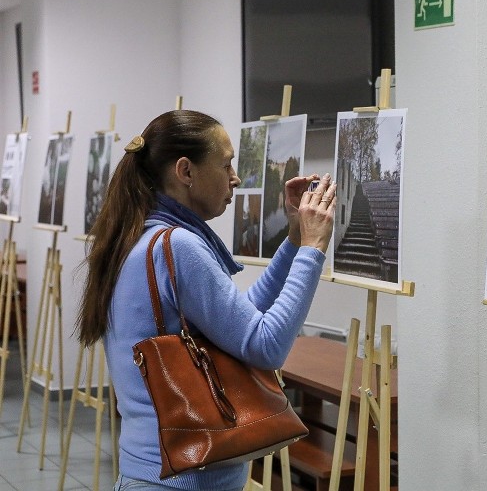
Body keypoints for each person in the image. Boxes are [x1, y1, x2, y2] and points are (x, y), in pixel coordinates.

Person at [75, 110, 336, 491]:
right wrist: (313, 250)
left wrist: (295, 238)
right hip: (183, 481)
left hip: (153, 473)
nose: (236, 178)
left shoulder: (141, 236)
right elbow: (265, 346)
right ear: (186, 171)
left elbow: (237, 320)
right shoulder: (177, 246)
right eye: (227, 164)